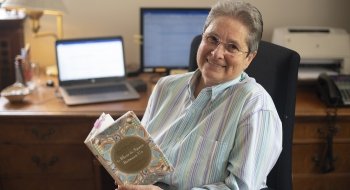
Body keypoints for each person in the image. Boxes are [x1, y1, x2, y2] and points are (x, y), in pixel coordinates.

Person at [118, 0, 282, 189]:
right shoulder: (165, 86)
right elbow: (143, 157)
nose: (217, 53)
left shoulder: (255, 106)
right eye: (212, 39)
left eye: (232, 47)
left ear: (249, 58)